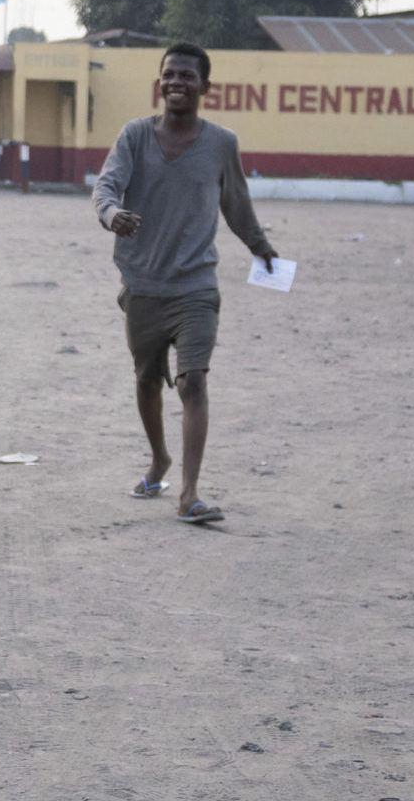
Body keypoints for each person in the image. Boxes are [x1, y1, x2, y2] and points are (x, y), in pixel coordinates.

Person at [90, 41, 276, 525]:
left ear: (205, 87)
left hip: (196, 287)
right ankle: (160, 460)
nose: (176, 82)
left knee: (193, 381)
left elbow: (236, 204)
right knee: (148, 381)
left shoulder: (221, 143)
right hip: (144, 284)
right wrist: (111, 216)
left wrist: (260, 245)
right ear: (160, 81)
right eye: (169, 74)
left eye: (187, 76)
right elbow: (106, 186)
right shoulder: (134, 136)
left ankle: (189, 493)